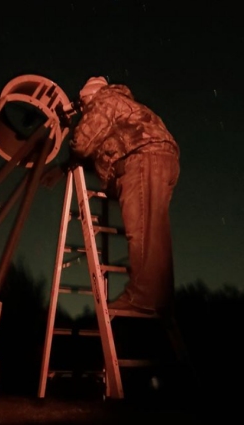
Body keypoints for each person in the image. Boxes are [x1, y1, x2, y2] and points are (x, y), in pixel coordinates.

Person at [69, 76, 180, 316]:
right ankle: (159, 297)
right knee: (155, 232)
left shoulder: (104, 99)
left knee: (140, 231)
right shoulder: (126, 104)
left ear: (90, 95)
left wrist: (72, 139)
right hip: (164, 159)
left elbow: (82, 143)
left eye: (84, 102)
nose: (84, 107)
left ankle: (144, 297)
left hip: (142, 158)